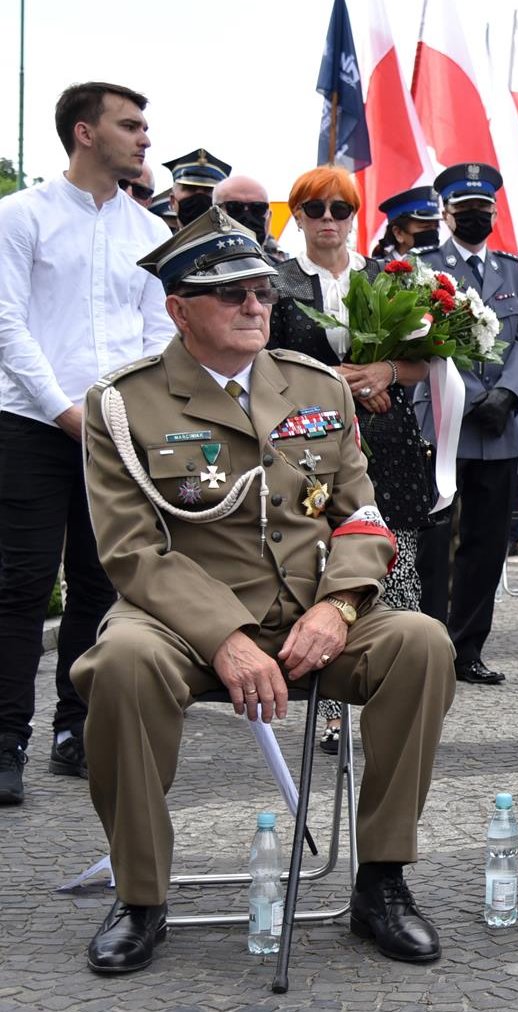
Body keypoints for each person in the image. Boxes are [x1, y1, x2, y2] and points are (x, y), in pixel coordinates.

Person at [72, 207, 454, 973]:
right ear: (178, 310)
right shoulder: (123, 404)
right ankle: (141, 897)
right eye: (231, 294)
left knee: (421, 642)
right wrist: (225, 637)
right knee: (119, 666)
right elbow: (133, 552)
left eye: (263, 292)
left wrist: (339, 606)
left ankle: (380, 882)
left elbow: (364, 519)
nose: (255, 306)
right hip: (180, 625)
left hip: (312, 614)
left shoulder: (317, 388)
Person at [0, 81, 173, 805]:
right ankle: (7, 740)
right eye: (130, 125)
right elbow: (8, 325)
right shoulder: (20, 215)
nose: (144, 140)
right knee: (20, 584)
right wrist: (67, 410)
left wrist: (129, 415)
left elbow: (161, 334)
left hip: (119, 432)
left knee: (105, 585)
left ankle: (79, 731)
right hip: (31, 426)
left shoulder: (150, 234)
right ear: (84, 132)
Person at [266, 166, 444, 753]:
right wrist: (327, 382)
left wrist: (384, 371)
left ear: (355, 215)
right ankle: (333, 707)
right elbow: (259, 364)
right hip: (306, 445)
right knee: (328, 571)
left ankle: (402, 695)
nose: (327, 221)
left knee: (398, 565)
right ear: (297, 216)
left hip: (388, 442)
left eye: (340, 210)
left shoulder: (389, 276)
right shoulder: (277, 281)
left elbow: (430, 360)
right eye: (313, 209)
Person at [414, 162, 518, 686]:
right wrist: (473, 395)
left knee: (488, 544)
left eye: (483, 212)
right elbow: (419, 336)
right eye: (465, 212)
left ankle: (468, 649)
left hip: (501, 426)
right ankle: (429, 645)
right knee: (435, 542)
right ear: (446, 214)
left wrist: (509, 393)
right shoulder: (424, 268)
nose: (475, 220)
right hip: (446, 421)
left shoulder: (513, 270)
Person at [212, 174, 282, 264]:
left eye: (258, 208)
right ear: (214, 214)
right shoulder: (194, 270)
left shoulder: (286, 275)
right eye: (234, 206)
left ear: (269, 219)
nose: (247, 216)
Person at [369, 185, 440, 261]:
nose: (433, 233)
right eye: (425, 227)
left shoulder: (444, 264)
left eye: (436, 227)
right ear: (398, 233)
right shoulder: (379, 270)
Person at [161, 147, 227, 226]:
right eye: (190, 188)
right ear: (172, 201)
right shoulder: (160, 237)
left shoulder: (238, 238)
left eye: (208, 190)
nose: (200, 195)